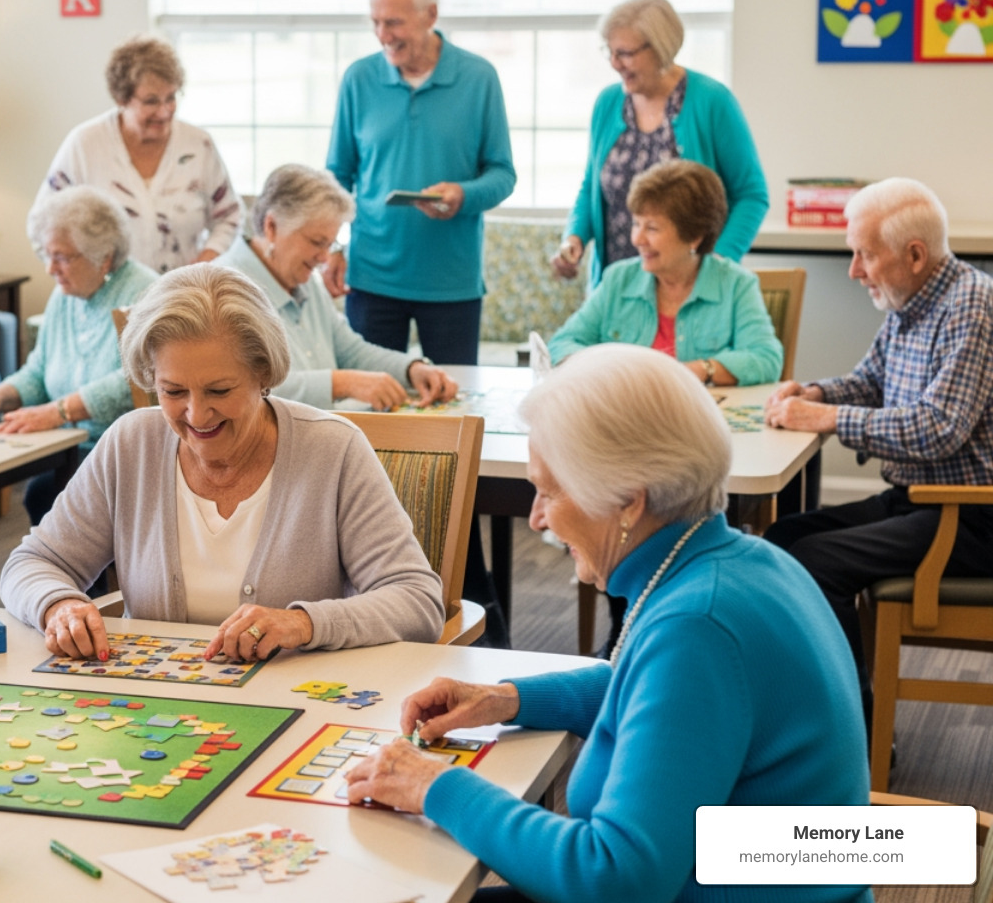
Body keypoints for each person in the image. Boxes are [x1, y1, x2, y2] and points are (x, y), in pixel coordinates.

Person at [345, 345, 869, 903]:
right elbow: (651, 696)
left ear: (627, 502)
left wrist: (435, 786)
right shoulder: (740, 562)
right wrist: (503, 699)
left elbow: (617, 878)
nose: (536, 517)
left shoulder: (696, 627)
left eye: (550, 490)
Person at [0, 265, 444, 661]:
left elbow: (416, 601)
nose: (196, 415)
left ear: (263, 374)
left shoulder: (334, 450)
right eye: (173, 392)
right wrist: (58, 605)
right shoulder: (130, 443)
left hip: (300, 707)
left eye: (219, 391)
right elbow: (32, 563)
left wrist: (304, 624)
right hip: (152, 715)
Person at [765, 178, 993, 725]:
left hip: (973, 517)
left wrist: (828, 418)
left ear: (915, 255)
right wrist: (815, 392)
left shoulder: (972, 306)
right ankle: (795, 711)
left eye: (865, 254)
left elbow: (939, 428)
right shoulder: (911, 301)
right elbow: (870, 380)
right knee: (783, 537)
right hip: (921, 501)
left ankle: (853, 735)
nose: (854, 269)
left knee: (816, 562)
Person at [325, 0, 515, 365]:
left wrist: (463, 194)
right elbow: (336, 178)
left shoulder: (479, 78)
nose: (383, 35)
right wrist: (333, 246)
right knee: (368, 406)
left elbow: (502, 174)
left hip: (451, 284)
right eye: (375, 22)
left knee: (455, 404)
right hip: (371, 278)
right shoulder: (359, 79)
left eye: (393, 22)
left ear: (431, 14)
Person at [0, 186, 158, 525]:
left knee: (44, 493)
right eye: (46, 255)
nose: (50, 268)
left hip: (124, 449)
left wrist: (59, 411)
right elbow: (39, 370)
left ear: (102, 257)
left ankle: (79, 578)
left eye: (61, 257)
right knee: (42, 492)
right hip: (65, 445)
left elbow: (139, 380)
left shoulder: (145, 293)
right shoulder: (66, 294)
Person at [552, 0, 767, 288]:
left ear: (661, 48)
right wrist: (573, 238)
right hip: (615, 288)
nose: (615, 63)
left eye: (625, 53)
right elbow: (592, 186)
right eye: (610, 51)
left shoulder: (713, 101)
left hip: (689, 287)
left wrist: (718, 262)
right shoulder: (608, 102)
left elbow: (752, 195)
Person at [220, 163, 458, 411]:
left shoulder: (303, 279)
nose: (324, 258)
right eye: (316, 242)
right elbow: (243, 389)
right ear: (271, 227)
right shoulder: (225, 289)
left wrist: (412, 369)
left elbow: (351, 351)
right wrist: (341, 383)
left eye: (330, 245)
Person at [548, 159, 782, 387]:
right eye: (636, 224)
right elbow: (562, 343)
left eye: (652, 228)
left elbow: (766, 358)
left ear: (694, 236)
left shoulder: (736, 284)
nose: (638, 239)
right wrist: (605, 371)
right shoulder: (618, 279)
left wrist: (692, 372)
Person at [34, 35, 243, 274]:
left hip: (181, 294)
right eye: (151, 101)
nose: (164, 112)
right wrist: (77, 272)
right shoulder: (85, 145)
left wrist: (207, 260)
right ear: (121, 98)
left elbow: (230, 217)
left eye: (171, 97)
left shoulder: (198, 145)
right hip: (106, 295)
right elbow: (42, 223)